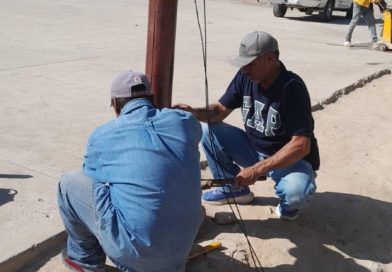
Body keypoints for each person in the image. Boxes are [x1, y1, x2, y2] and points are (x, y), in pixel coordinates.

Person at [57, 71, 203, 272]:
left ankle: (85, 261)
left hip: (136, 255)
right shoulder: (185, 121)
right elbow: (193, 135)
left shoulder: (101, 137)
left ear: (116, 104)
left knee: (68, 184)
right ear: (151, 99)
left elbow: (91, 183)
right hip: (182, 248)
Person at [174, 31, 320, 221]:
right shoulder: (245, 77)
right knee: (208, 129)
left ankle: (288, 204)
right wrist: (195, 112)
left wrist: (257, 169)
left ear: (269, 59)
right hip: (253, 150)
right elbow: (219, 109)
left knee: (295, 194)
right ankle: (234, 189)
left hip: (289, 159)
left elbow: (301, 145)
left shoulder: (293, 88)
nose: (244, 70)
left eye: (249, 64)